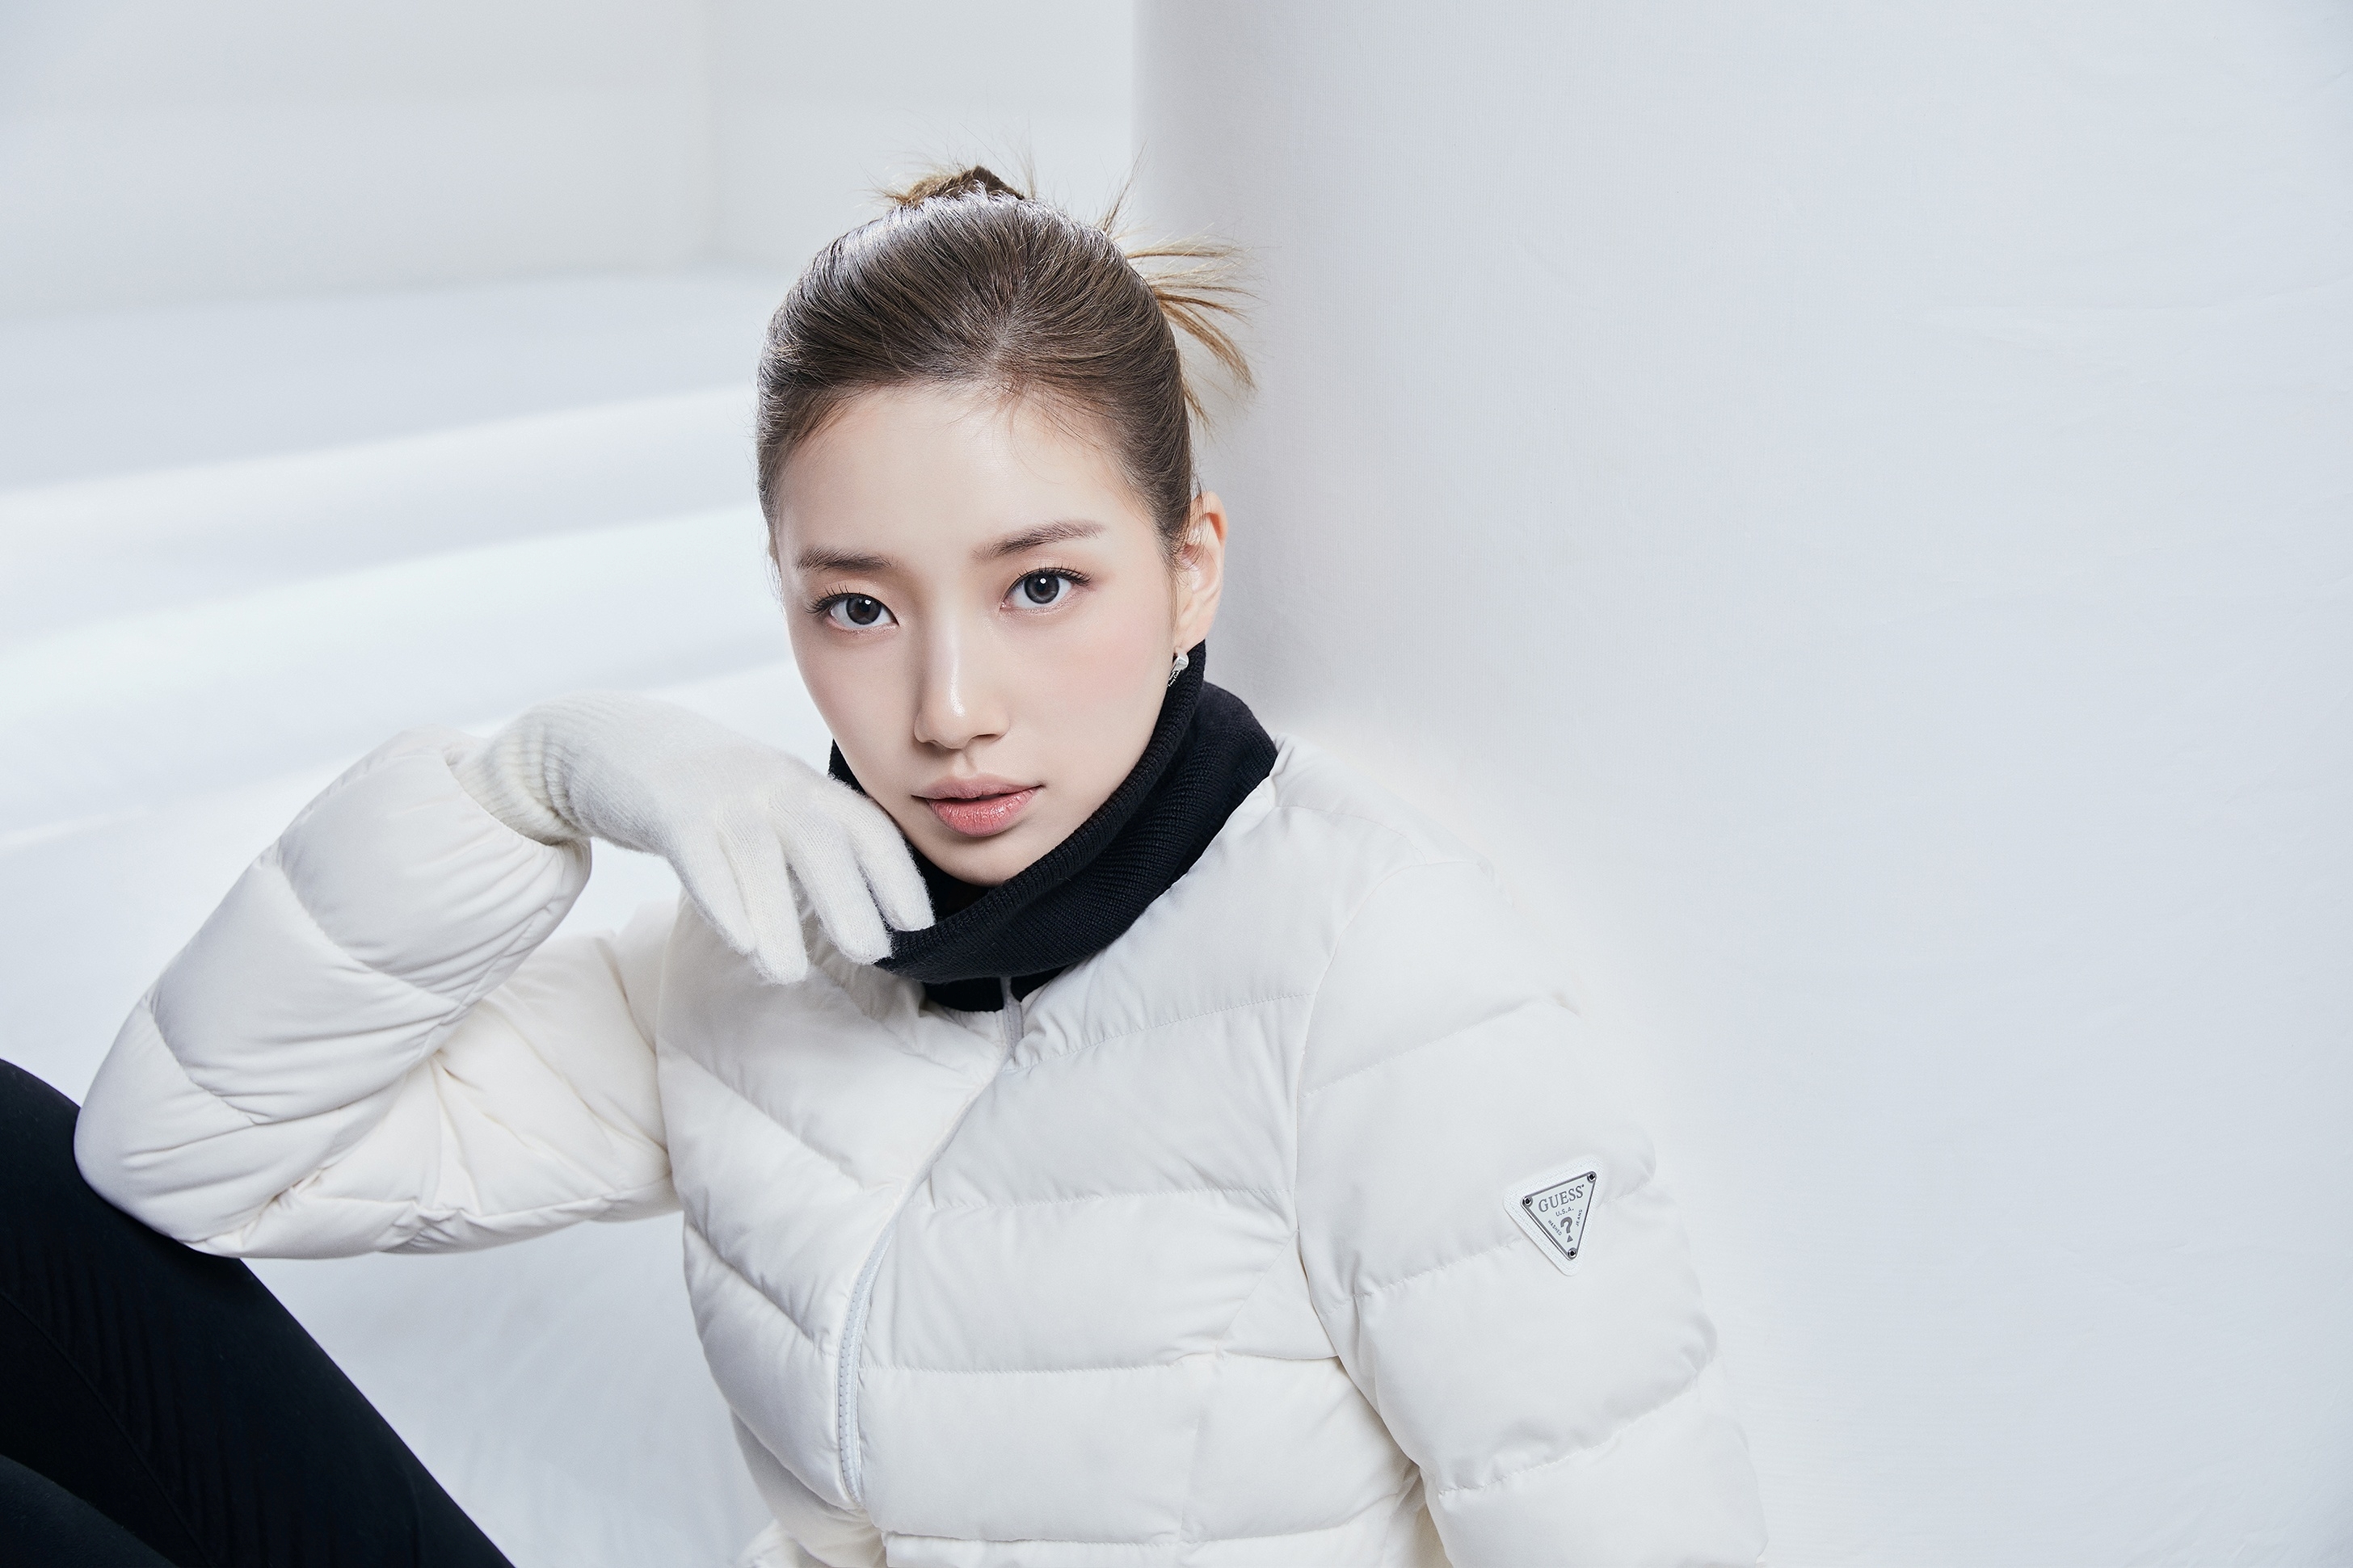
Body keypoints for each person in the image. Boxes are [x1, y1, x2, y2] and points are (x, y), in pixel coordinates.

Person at [8, 167, 1767, 1566]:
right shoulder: (765, 941)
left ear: (1191, 568)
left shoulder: (1379, 982)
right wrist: (524, 785)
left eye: (1040, 586)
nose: (947, 709)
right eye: (857, 606)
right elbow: (178, 1160)